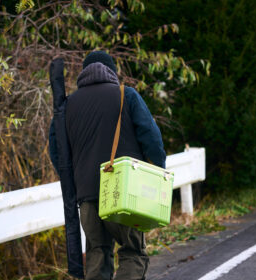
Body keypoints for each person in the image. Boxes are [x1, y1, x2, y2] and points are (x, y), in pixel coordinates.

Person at [49, 51, 166, 280]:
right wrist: (157, 173)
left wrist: (78, 180)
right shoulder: (126, 95)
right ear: (112, 71)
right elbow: (152, 140)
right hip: (122, 194)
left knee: (97, 254)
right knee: (133, 252)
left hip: (87, 199)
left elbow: (57, 154)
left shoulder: (66, 107)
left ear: (83, 74)